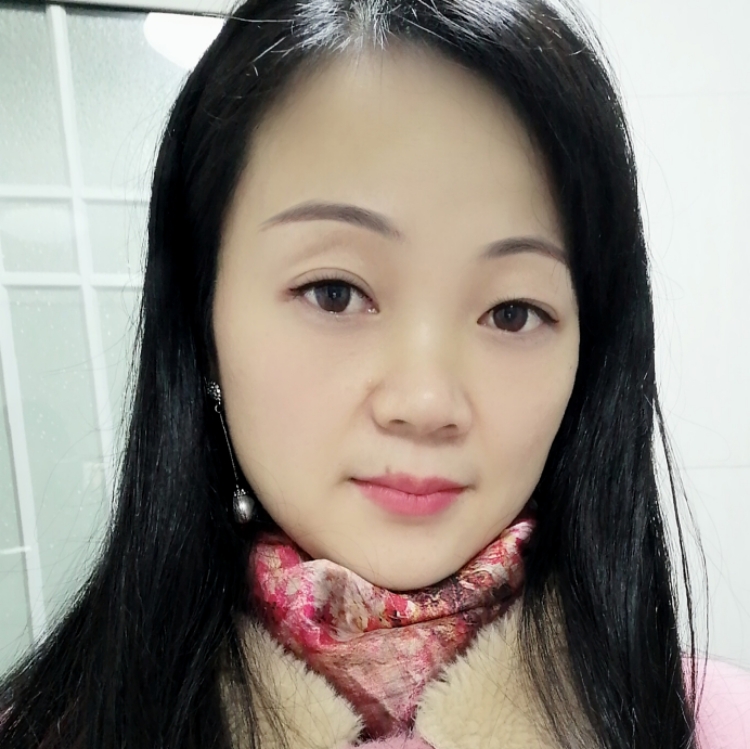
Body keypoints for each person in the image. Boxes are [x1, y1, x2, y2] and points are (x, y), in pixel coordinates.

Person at [2, 0, 749, 746]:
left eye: (513, 312)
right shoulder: (54, 731)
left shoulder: (712, 725)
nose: (425, 401)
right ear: (202, 320)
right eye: (335, 292)